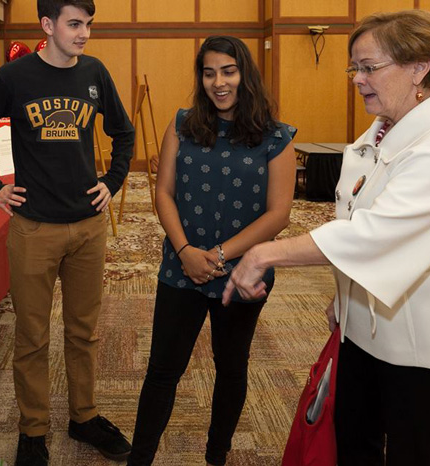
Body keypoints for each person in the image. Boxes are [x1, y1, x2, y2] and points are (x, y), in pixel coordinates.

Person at [224, 10, 430, 466]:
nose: (357, 80)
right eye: (354, 68)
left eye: (369, 67)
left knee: (413, 452)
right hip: (361, 329)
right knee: (352, 442)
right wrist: (343, 296)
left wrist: (266, 252)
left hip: (421, 348)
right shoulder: (382, 129)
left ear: (418, 67)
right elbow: (354, 214)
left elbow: (377, 234)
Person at [0, 1, 135, 464]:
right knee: (32, 337)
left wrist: (112, 181)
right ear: (48, 25)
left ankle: (84, 416)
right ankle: (33, 430)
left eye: (88, 25)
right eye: (74, 24)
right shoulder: (15, 77)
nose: (84, 34)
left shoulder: (95, 73)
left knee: (83, 332)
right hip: (34, 227)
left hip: (87, 228)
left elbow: (124, 132)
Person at [128, 36, 296, 466]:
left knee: (231, 368)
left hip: (242, 272)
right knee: (163, 371)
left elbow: (277, 215)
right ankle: (139, 459)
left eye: (228, 71)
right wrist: (185, 250)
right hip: (181, 266)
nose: (218, 82)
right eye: (208, 72)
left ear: (245, 74)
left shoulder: (275, 136)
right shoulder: (183, 124)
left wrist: (219, 256)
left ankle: (216, 456)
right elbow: (163, 193)